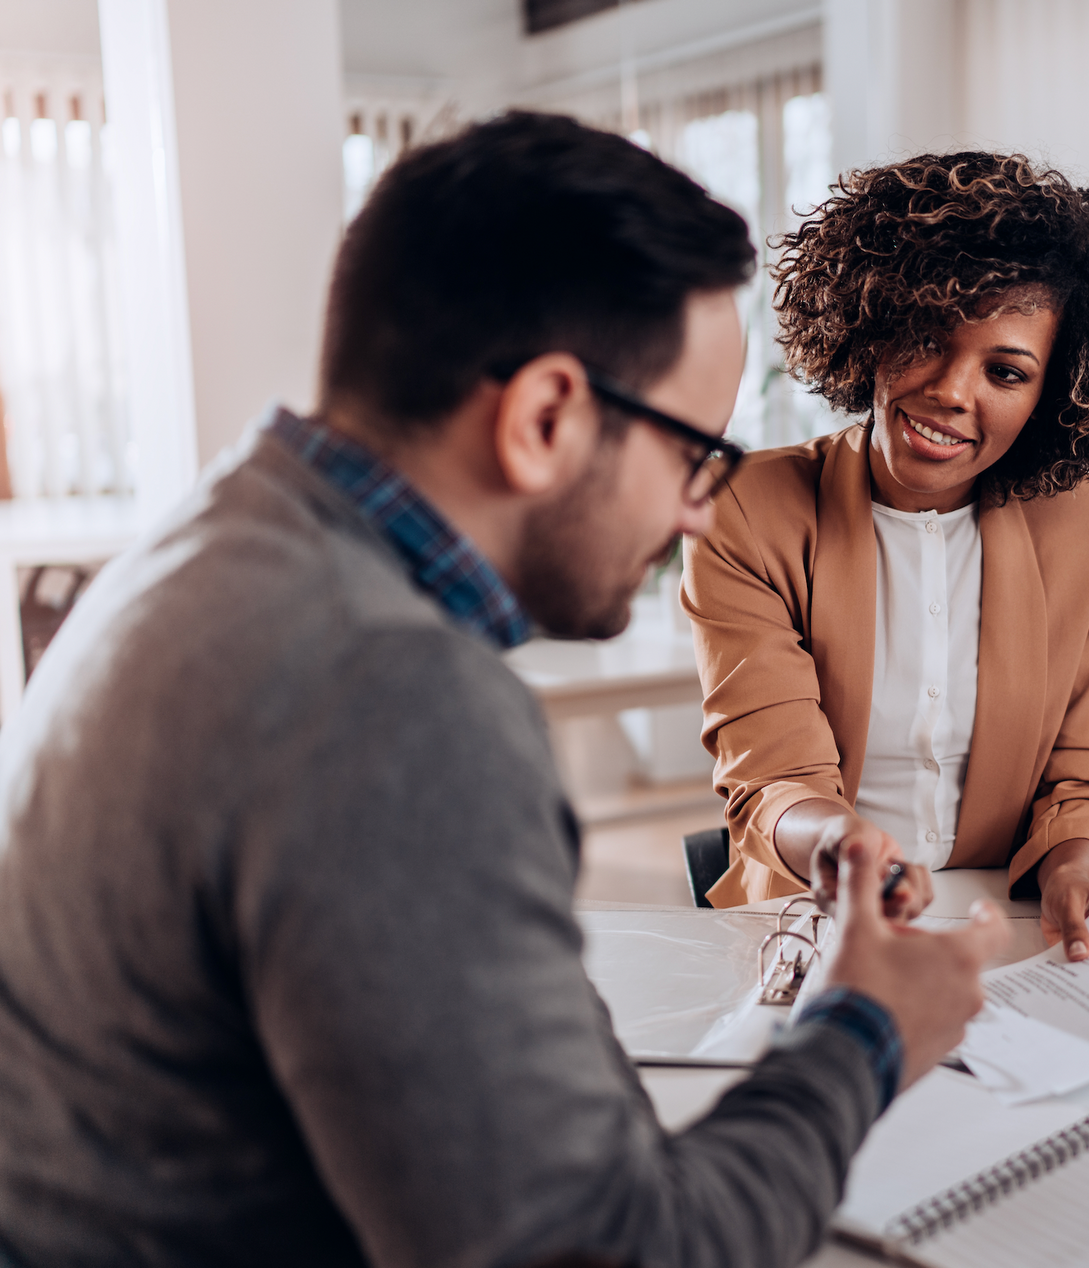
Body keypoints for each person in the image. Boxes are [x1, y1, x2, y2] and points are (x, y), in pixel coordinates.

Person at [0, 112, 1006, 1268]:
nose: (697, 511)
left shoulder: (214, 540)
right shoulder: (386, 696)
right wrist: (865, 1031)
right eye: (695, 455)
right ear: (541, 419)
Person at [683, 152, 1089, 961]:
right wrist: (848, 853)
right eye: (927, 338)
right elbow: (774, 779)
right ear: (871, 325)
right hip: (818, 921)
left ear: (1050, 396)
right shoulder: (746, 510)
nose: (951, 390)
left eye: (1005, 371)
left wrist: (1079, 864)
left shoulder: (1087, 525)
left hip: (1012, 931)